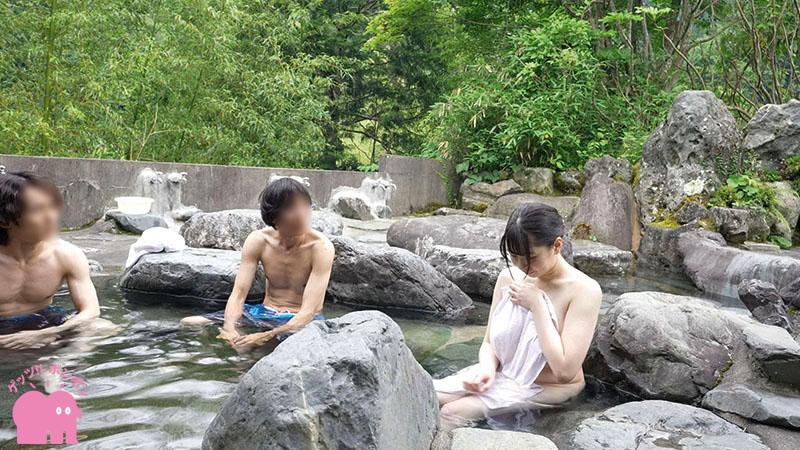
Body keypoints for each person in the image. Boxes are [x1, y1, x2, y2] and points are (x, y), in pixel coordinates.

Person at [433, 203, 602, 429]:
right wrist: (486, 369)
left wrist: (537, 305)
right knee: (428, 393)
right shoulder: (509, 277)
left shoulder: (584, 291)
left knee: (452, 412)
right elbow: (489, 342)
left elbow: (564, 371)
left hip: (551, 387)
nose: (522, 265)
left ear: (557, 245)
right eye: (514, 256)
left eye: (531, 257)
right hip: (502, 374)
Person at [181, 177, 335, 349]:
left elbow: (309, 311)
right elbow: (239, 294)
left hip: (301, 320)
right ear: (274, 216)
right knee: (190, 322)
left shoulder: (321, 248)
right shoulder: (259, 240)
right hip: (264, 313)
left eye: (305, 206)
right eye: (291, 208)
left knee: (250, 348)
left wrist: (265, 336)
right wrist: (229, 328)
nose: (301, 214)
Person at [0, 171, 102, 349]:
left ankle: (63, 364)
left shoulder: (66, 255)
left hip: (42, 321)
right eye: (38, 210)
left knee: (100, 327)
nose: (51, 217)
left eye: (52, 207)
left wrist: (44, 334)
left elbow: (91, 311)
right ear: (5, 221)